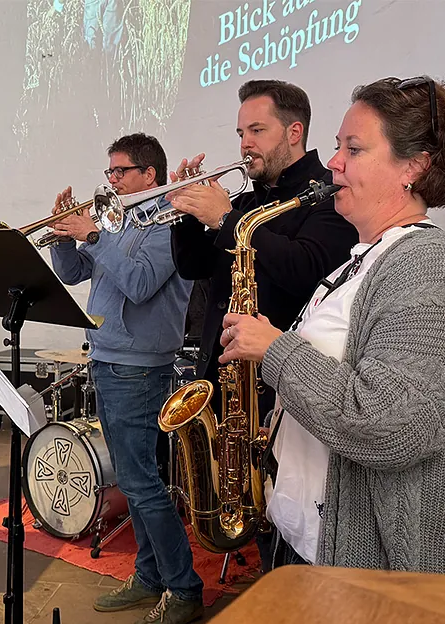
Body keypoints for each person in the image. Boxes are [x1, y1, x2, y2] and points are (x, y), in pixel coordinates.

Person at [219, 76, 445, 574]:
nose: (334, 162)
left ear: (413, 166)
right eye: (338, 146)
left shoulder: (431, 265)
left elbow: (397, 424)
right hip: (303, 543)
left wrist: (275, 350)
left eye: (354, 149)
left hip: (366, 569)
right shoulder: (363, 258)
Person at [168, 79, 358, 571]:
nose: (244, 144)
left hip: (281, 385)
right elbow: (193, 267)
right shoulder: (251, 198)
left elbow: (305, 268)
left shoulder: (324, 195)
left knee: (283, 519)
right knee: (247, 506)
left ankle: (279, 592)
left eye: (256, 130)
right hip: (230, 375)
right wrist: (187, 212)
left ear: (294, 132)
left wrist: (226, 218)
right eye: (240, 133)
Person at [48, 133, 204, 624]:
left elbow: (139, 284)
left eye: (120, 172)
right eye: (109, 172)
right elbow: (74, 273)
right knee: (133, 483)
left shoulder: (169, 223)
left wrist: (95, 235)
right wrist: (64, 236)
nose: (111, 181)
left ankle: (184, 590)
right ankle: (149, 575)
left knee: (143, 484)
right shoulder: (120, 220)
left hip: (139, 368)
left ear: (148, 174)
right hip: (108, 359)